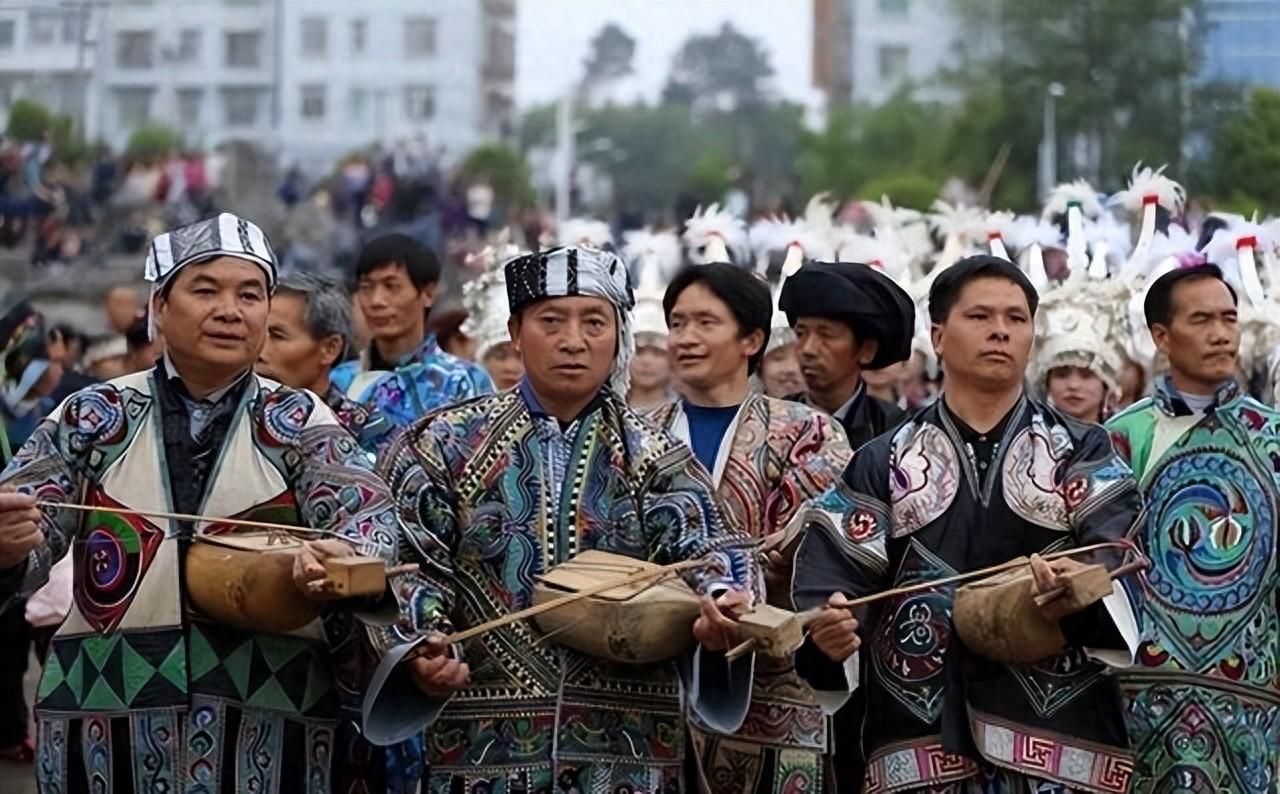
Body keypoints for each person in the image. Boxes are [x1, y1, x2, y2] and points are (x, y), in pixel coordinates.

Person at [0, 213, 406, 792]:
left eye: (250, 295)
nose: (230, 310)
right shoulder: (91, 415)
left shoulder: (300, 421)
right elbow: (28, 518)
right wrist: (10, 547)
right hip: (104, 717)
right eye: (206, 290)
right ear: (160, 306)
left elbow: (367, 519)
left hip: (268, 722)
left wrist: (344, 560)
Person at [366, 246, 762, 792]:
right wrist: (425, 645)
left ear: (618, 335)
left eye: (594, 323)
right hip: (481, 753)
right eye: (551, 321)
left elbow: (707, 551)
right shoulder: (443, 444)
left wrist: (721, 606)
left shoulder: (657, 457)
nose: (573, 341)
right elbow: (407, 563)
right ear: (515, 331)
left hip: (626, 755)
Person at [792, 255, 1144, 792]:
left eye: (1016, 318)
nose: (1000, 330)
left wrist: (1081, 588)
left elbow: (1117, 553)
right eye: (980, 316)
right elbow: (833, 581)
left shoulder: (1081, 449)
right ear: (938, 335)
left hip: (1058, 732)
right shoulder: (883, 459)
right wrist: (830, 631)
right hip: (918, 734)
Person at [648, 263, 853, 792]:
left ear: (751, 340)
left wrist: (741, 586)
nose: (685, 338)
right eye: (677, 323)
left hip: (777, 698)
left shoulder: (808, 433)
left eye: (706, 322)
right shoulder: (639, 436)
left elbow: (812, 550)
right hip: (655, 702)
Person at [1106, 264, 1278, 792]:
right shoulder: (1122, 437)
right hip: (1139, 700)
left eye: (1229, 318)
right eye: (1202, 320)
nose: (1222, 334)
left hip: (1251, 699)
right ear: (1161, 336)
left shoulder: (1272, 439)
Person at [331, 233, 492, 428]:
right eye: (366, 288)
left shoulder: (463, 381)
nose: (376, 301)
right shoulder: (339, 381)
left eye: (391, 287)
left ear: (428, 293)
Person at [778, 261, 915, 450]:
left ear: (867, 351)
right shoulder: (771, 422)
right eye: (801, 334)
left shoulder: (894, 430)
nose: (808, 349)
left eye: (826, 335)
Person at [257, 272, 396, 456]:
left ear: (330, 348)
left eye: (277, 336)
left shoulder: (370, 433)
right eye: (256, 332)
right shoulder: (230, 410)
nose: (258, 350)